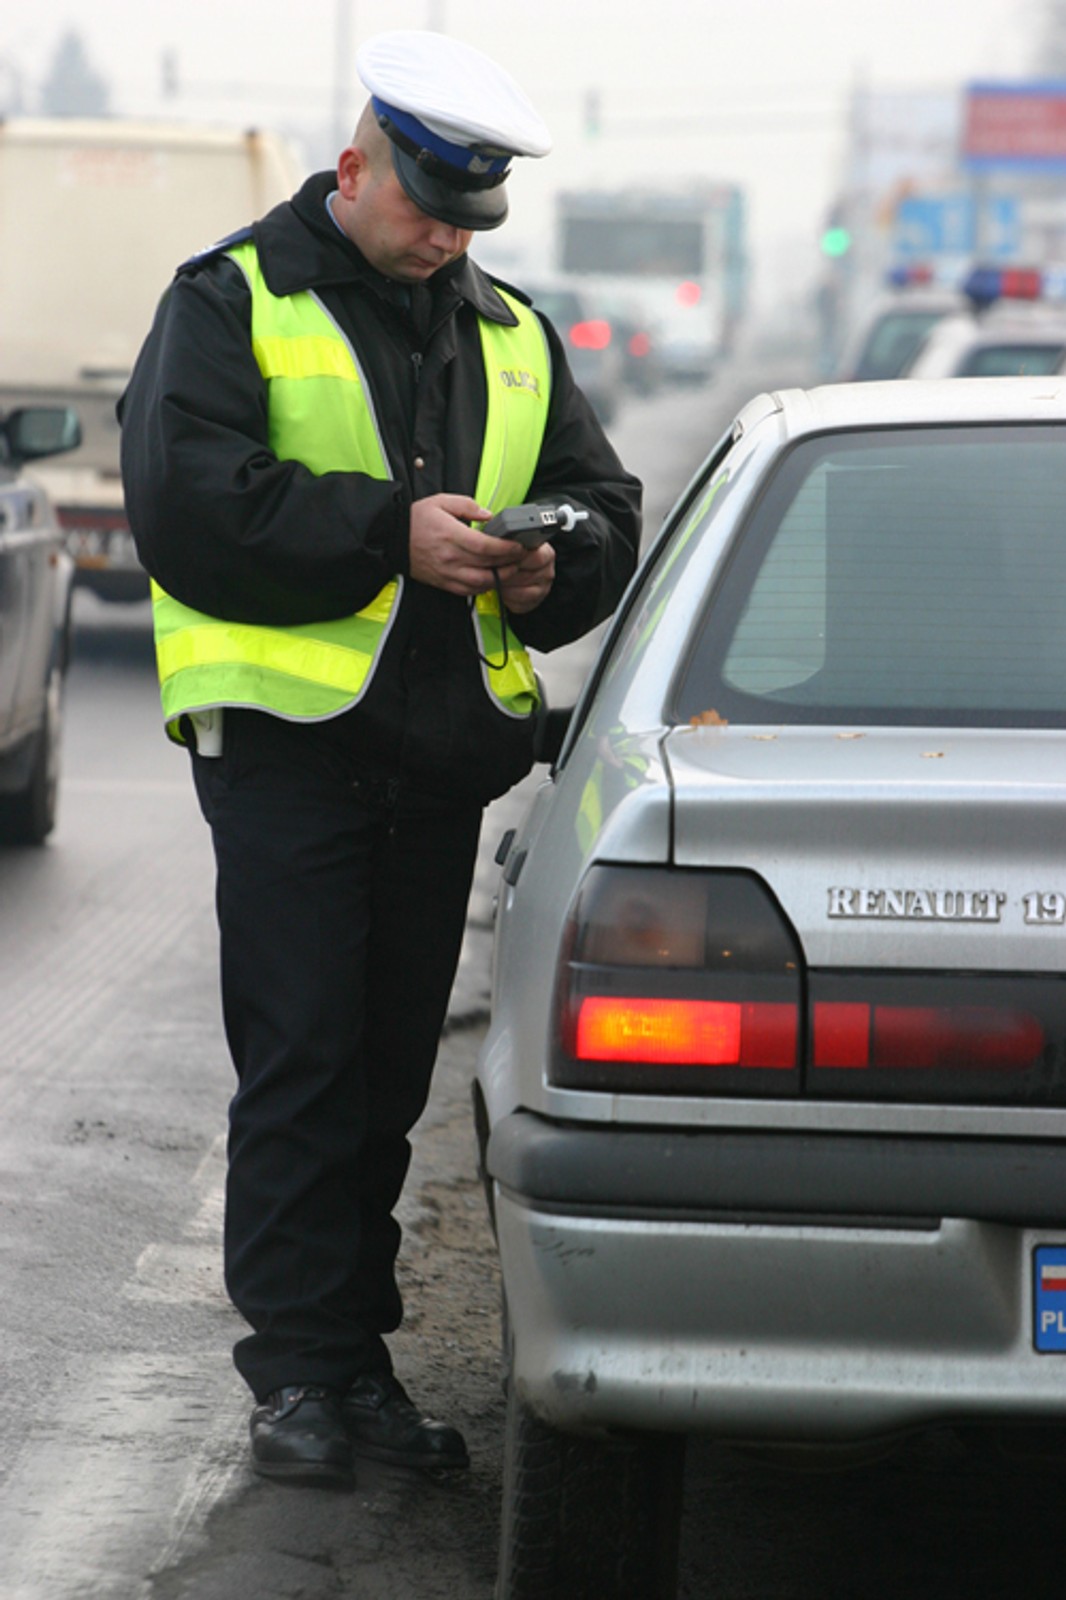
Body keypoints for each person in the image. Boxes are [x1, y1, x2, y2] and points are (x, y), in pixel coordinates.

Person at [118, 28, 642, 1489]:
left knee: (382, 1076)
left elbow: (602, 502)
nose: (440, 242)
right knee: (303, 1063)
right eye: (423, 208)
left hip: (435, 758)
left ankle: (353, 1365)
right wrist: (383, 537)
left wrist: (561, 568)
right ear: (353, 169)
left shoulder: (514, 330)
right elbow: (186, 501)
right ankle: (296, 1377)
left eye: (467, 220)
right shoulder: (233, 298)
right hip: (288, 752)